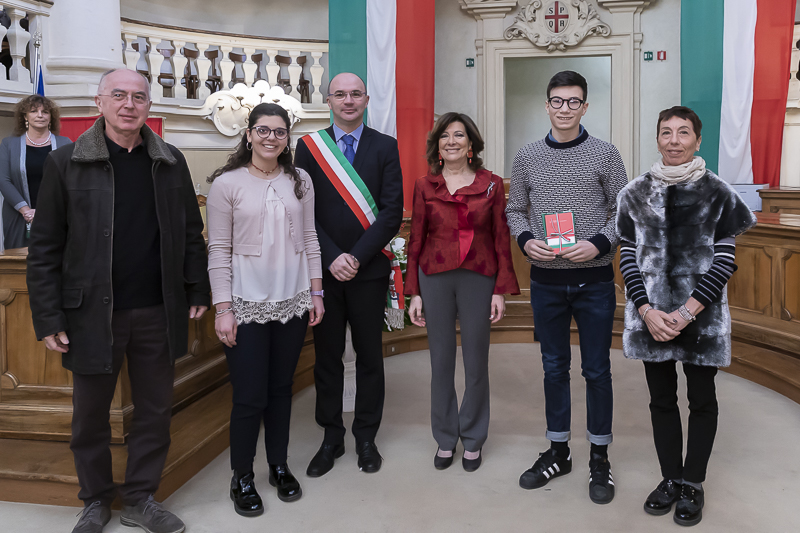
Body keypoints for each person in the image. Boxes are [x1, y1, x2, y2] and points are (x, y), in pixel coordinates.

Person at [26, 68, 209, 533]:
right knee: (90, 416)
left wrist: (197, 288)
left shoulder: (171, 160)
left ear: (150, 105)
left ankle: (141, 498)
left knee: (154, 411)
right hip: (91, 314)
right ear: (100, 102)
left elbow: (191, 234)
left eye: (139, 97)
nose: (130, 105)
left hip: (156, 311)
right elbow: (45, 246)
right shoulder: (65, 163)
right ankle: (94, 500)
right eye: (119, 95)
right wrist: (48, 316)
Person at [617, 106, 755, 527]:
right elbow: (626, 255)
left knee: (701, 400)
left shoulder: (719, 193)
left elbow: (726, 260)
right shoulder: (634, 193)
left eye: (683, 133)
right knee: (660, 400)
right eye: (666, 132)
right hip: (651, 318)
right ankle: (670, 478)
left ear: (697, 140)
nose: (673, 140)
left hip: (702, 319)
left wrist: (687, 312)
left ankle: (693, 483)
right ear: (657, 138)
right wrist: (646, 310)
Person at [505, 70, 627, 504]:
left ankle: (599, 458)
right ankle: (558, 451)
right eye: (557, 101)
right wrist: (525, 240)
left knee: (597, 370)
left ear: (585, 107)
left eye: (573, 102)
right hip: (547, 283)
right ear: (546, 105)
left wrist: (597, 242)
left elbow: (622, 212)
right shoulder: (527, 157)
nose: (564, 109)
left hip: (594, 281)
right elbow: (515, 209)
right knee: (554, 368)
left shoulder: (606, 155)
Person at [206, 102, 324, 516]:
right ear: (249, 133)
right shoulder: (227, 183)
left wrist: (316, 292)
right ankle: (242, 476)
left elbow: (310, 237)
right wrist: (224, 307)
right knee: (249, 395)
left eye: (279, 131)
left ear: (287, 137)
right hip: (246, 304)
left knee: (280, 390)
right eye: (263, 130)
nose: (270, 137)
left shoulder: (301, 180)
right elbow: (218, 249)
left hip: (292, 301)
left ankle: (278, 465)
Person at [294, 72, 403, 476]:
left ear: (367, 99)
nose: (348, 100)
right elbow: (301, 209)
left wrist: (354, 256)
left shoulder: (386, 147)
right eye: (340, 94)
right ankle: (331, 437)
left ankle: (366, 436)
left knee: (370, 357)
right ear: (328, 100)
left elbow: (392, 211)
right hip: (323, 271)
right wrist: (333, 256)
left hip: (368, 271)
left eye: (356, 93)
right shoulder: (307, 148)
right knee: (327, 358)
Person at [406, 112, 519, 472]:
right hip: (434, 278)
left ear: (471, 144)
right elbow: (416, 239)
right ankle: (444, 437)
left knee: (475, 361)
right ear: (437, 145)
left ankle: (472, 438)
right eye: (445, 136)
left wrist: (501, 290)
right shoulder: (425, 185)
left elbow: (501, 237)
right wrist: (414, 292)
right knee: (440, 362)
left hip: (478, 277)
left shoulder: (491, 184)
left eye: (459, 135)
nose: (451, 141)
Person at [0, 95, 71, 251]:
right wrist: (26, 211)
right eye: (33, 111)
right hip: (18, 217)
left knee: (55, 262)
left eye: (45, 112)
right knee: (18, 266)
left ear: (51, 117)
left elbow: (71, 180)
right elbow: (3, 180)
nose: (40, 115)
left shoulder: (65, 144)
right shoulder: (8, 144)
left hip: (56, 216)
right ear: (25, 116)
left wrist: (45, 213)